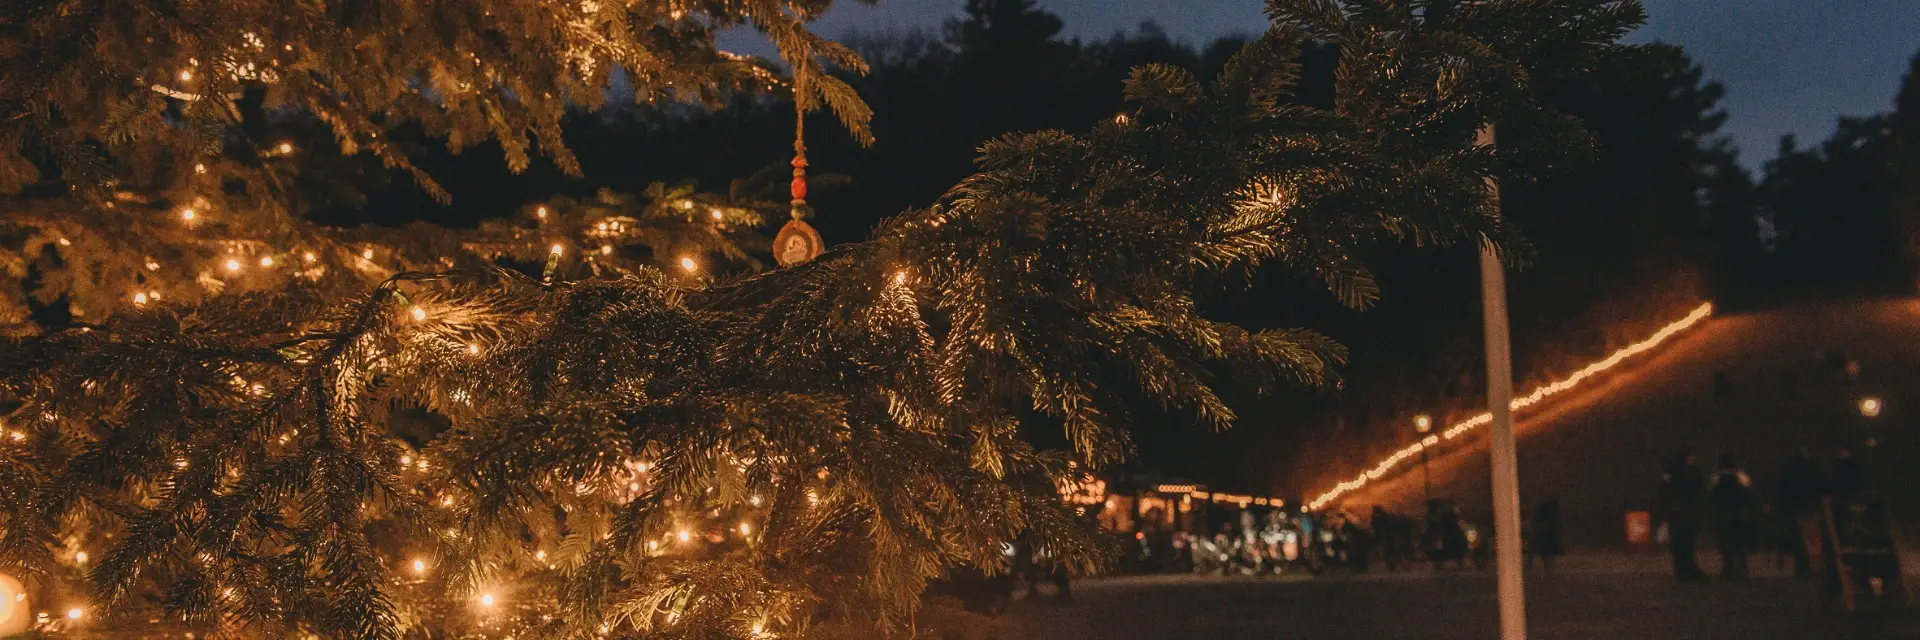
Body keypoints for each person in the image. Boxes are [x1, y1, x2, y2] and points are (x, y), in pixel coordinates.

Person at [1657, 448, 1709, 581]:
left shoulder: (1670, 473)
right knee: (1688, 544)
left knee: (1678, 544)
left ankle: (1682, 571)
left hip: (1676, 515)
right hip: (1688, 514)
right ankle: (1689, 570)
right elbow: (1699, 491)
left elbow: (1664, 491)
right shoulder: (1691, 473)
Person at [1776, 448, 1825, 578]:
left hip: (1796, 506)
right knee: (1814, 537)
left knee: (1802, 538)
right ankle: (1815, 564)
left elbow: (1783, 489)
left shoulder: (1788, 469)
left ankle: (1803, 566)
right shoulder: (1813, 468)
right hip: (1812, 505)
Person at [1708, 454, 1757, 580]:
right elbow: (1749, 495)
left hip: (1722, 515)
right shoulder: (1742, 477)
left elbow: (1711, 498)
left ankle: (1729, 567)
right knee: (1740, 542)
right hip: (1739, 514)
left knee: (1725, 543)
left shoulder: (1716, 478)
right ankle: (1743, 567)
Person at [1527, 500, 1565, 571]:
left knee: (1547, 554)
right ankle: (1547, 565)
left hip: (1546, 538)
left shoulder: (1547, 528)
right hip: (1546, 538)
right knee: (1547, 555)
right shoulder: (1548, 525)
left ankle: (1546, 565)